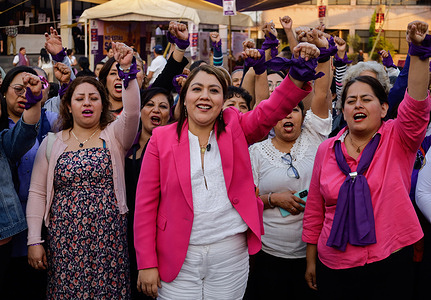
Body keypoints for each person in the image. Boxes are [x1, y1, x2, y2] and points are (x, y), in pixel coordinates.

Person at [134, 42, 321, 299]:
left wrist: (297, 77)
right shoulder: (161, 139)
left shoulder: (234, 125)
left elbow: (269, 111)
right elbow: (145, 205)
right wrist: (146, 262)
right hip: (177, 256)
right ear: (185, 97)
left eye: (214, 90)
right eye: (197, 89)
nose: (204, 96)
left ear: (222, 101)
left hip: (229, 256)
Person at [302, 20, 430, 300]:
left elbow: (417, 105)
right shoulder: (327, 149)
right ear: (343, 110)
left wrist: (419, 51)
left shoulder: (399, 138)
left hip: (389, 261)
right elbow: (314, 209)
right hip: (334, 264)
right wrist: (310, 259)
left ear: (384, 108)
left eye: (366, 99)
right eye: (351, 100)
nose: (357, 104)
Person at [26, 42, 140, 298]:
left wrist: (127, 72)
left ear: (103, 105)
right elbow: (37, 194)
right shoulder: (52, 142)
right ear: (68, 106)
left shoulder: (115, 136)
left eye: (93, 98)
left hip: (109, 242)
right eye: (80, 99)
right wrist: (34, 240)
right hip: (64, 244)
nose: (87, 103)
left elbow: (132, 113)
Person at [245, 27, 332, 300]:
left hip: (312, 253)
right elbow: (243, 199)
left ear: (303, 116)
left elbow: (321, 93)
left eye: (294, 109)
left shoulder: (315, 137)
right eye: (281, 110)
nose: (287, 115)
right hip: (268, 254)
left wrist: (323, 52)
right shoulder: (257, 151)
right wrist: (272, 199)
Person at [125, 87, 173, 300]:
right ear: (140, 110)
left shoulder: (173, 149)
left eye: (163, 106)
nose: (156, 110)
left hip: (159, 234)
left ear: (170, 115)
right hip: (124, 234)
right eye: (150, 105)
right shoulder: (125, 145)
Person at [0, 71, 43, 294]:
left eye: (28, 91)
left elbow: (23, 135)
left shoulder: (43, 121)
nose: (23, 95)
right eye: (18, 90)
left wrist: (34, 102)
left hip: (24, 227)